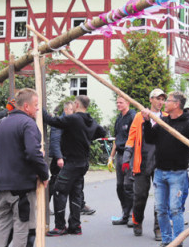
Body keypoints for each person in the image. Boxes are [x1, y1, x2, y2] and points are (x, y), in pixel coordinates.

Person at [0, 88, 50, 247]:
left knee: (2, 222)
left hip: (3, 183)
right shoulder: (28, 124)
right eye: (36, 105)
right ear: (26, 106)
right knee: (23, 223)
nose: (37, 109)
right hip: (22, 184)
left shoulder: (3, 124)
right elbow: (33, 153)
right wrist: (44, 173)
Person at [142, 91, 189, 247]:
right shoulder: (164, 121)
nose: (165, 103)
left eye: (168, 101)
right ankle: (166, 242)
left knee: (175, 209)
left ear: (177, 104)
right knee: (161, 209)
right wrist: (146, 122)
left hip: (177, 174)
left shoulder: (188, 123)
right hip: (160, 172)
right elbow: (151, 139)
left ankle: (177, 245)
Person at [44, 95, 107, 236]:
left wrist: (41, 110)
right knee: (75, 192)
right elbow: (102, 132)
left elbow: (53, 121)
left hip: (72, 162)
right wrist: (85, 137)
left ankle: (60, 226)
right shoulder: (91, 120)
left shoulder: (74, 119)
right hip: (83, 162)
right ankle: (75, 226)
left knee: (59, 191)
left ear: (77, 105)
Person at [126, 88, 165, 239]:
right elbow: (132, 136)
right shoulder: (139, 116)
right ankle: (137, 221)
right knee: (140, 196)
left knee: (160, 197)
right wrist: (127, 156)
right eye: (157, 99)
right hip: (142, 160)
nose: (160, 102)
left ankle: (158, 228)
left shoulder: (165, 117)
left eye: (162, 99)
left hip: (160, 161)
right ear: (151, 100)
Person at [110, 96, 135, 226]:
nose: (118, 104)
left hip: (130, 154)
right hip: (119, 154)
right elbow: (116, 138)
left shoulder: (133, 117)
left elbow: (136, 138)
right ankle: (125, 214)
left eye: (121, 102)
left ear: (128, 103)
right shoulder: (119, 118)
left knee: (128, 185)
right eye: (117, 102)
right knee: (120, 186)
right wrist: (111, 157)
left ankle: (132, 215)